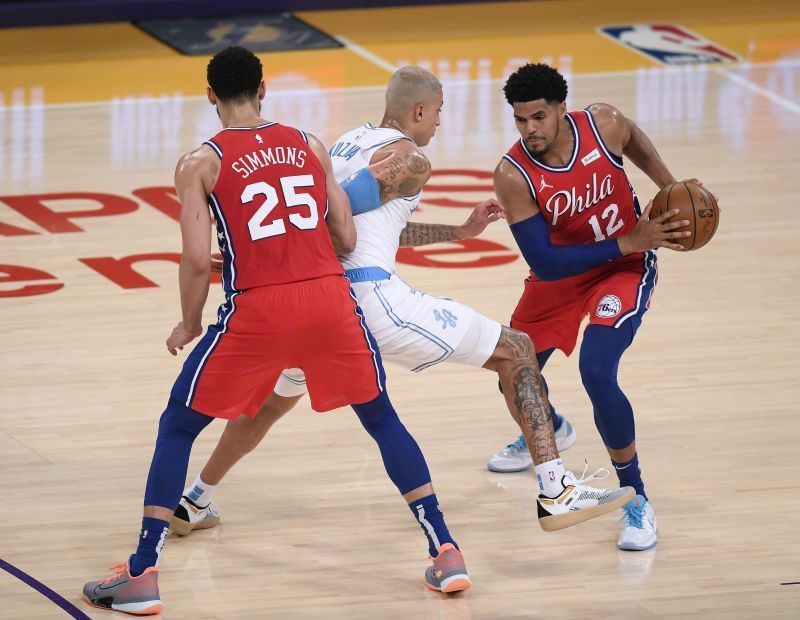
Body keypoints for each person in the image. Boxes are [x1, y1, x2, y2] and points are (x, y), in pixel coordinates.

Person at [170, 66, 633, 546]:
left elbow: (372, 227)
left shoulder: (349, 141)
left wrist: (457, 232)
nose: (438, 124)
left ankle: (196, 498)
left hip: (313, 301)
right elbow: (327, 217)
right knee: (516, 349)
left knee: (269, 405)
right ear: (418, 110)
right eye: (438, 112)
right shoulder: (410, 160)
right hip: (367, 300)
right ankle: (555, 489)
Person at [82, 48, 471, 616]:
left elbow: (195, 261)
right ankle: (446, 551)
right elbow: (343, 235)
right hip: (329, 302)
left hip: (257, 312)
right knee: (382, 418)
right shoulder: (309, 144)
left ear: (210, 95)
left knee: (179, 425)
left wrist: (190, 322)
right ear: (264, 89)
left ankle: (142, 573)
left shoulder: (200, 163)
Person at [490, 62, 697, 551]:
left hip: (621, 270)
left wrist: (670, 188)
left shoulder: (604, 123)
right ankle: (551, 427)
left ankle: (637, 500)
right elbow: (545, 261)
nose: (530, 130)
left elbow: (635, 138)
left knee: (597, 369)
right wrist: (630, 239)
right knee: (512, 370)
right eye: (521, 121)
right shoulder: (513, 174)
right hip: (565, 270)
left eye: (539, 117)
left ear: (563, 108)